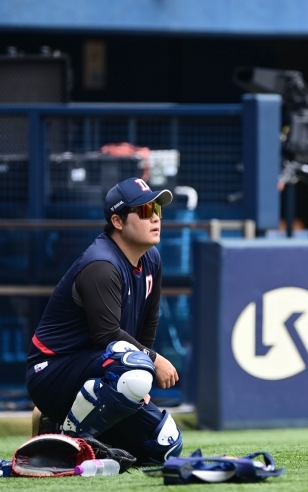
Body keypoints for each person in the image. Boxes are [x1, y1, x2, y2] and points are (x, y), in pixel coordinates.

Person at [26, 177, 183, 464]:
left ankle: (54, 425)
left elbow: (148, 323)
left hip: (107, 370)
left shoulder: (152, 259)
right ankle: (67, 442)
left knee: (164, 446)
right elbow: (107, 334)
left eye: (158, 210)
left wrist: (143, 379)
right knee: (131, 366)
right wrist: (153, 361)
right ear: (118, 221)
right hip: (52, 372)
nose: (156, 218)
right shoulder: (101, 265)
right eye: (146, 211)